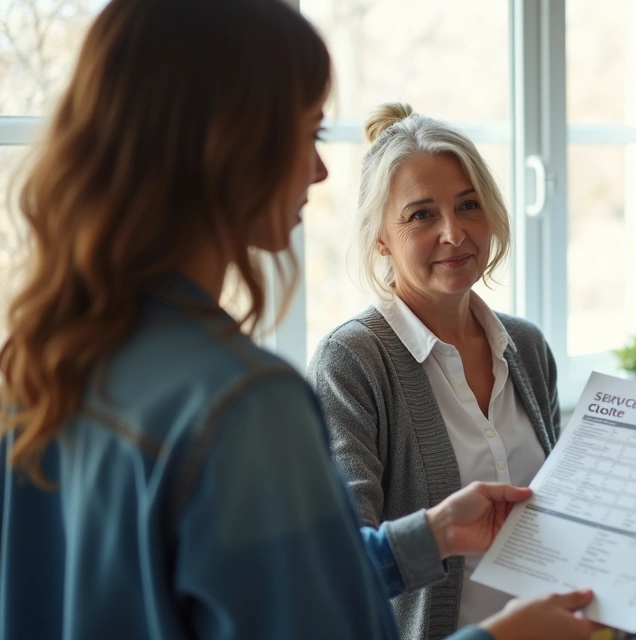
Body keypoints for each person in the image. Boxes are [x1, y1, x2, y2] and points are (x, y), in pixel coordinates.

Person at [0, 2, 593, 639]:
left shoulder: (41, 361)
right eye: (308, 133)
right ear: (227, 147)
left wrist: (429, 536)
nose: (320, 170)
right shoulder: (246, 404)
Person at [306, 103, 561, 639]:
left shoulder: (527, 347)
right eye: (421, 215)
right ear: (380, 238)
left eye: (468, 205)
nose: (454, 232)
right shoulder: (350, 362)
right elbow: (339, 564)